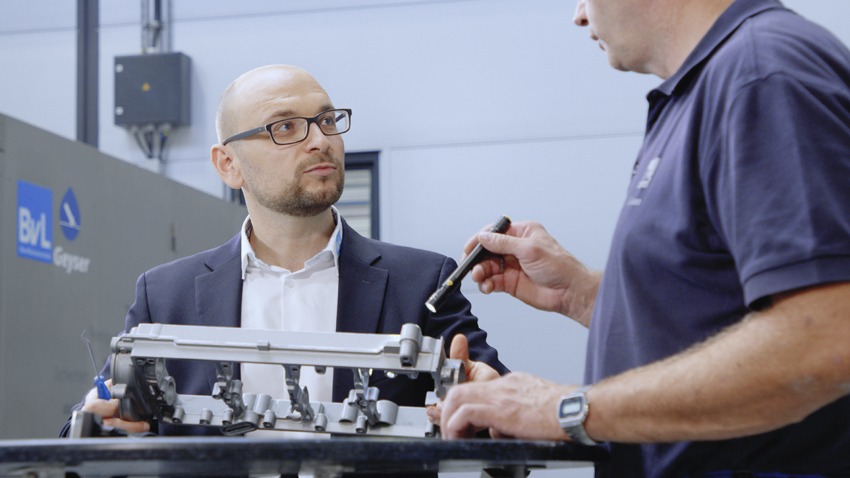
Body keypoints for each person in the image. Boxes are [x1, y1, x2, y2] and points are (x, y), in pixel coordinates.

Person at [437, 0, 850, 476]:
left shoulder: (761, 74)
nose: (579, 15)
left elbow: (824, 340)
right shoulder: (701, 90)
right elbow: (711, 311)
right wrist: (582, 294)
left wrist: (565, 409)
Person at [62, 64, 507, 441]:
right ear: (228, 164)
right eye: (285, 127)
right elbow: (86, 434)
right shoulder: (165, 295)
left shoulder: (421, 282)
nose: (320, 140)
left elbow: (507, 423)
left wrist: (490, 408)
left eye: (327, 120)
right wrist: (104, 426)